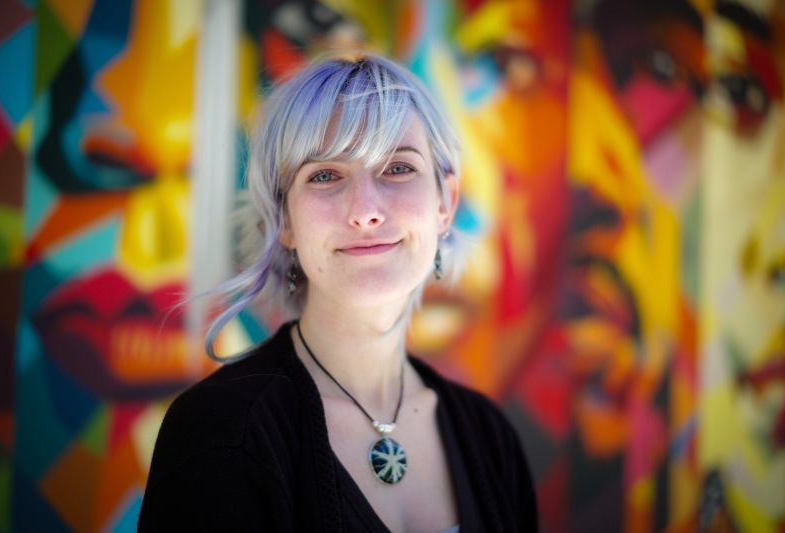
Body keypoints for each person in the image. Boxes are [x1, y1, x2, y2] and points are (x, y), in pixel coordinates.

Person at [138, 53, 538, 532]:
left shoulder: (491, 440)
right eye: (325, 175)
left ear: (445, 204)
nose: (365, 211)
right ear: (284, 220)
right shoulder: (220, 430)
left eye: (397, 168)